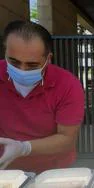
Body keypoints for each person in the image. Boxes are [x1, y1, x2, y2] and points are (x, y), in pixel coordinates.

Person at [0, 20, 85, 173]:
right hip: (5, 169)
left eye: (32, 65)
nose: (22, 70)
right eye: (14, 62)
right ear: (5, 52)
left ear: (48, 59)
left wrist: (23, 148)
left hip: (53, 171)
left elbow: (66, 139)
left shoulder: (67, 84)